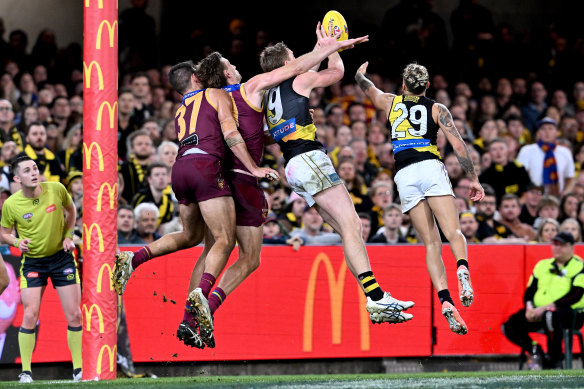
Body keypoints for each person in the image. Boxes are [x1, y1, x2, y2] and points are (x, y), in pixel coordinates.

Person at [113, 60, 279, 349]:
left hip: (180, 169)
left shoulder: (180, 109)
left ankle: (133, 258)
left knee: (192, 236)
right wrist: (253, 168)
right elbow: (229, 134)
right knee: (224, 241)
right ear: (194, 77)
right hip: (206, 168)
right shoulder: (215, 94)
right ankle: (202, 295)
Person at [261, 40, 415, 326]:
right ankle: (377, 298)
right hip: (308, 158)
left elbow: (269, 135)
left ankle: (375, 296)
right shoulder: (300, 79)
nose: (299, 60)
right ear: (286, 64)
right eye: (294, 57)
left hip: (292, 166)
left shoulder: (268, 94)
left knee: (348, 232)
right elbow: (336, 72)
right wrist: (333, 46)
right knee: (353, 225)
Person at [355, 61, 485, 335]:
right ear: (427, 86)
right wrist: (472, 177)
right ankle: (462, 270)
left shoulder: (391, 103)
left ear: (403, 85)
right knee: (454, 232)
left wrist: (359, 75)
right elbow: (458, 144)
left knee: (431, 243)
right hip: (430, 166)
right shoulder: (438, 108)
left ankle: (446, 301)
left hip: (405, 174)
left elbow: (369, 90)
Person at [0, 156, 81, 383]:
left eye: (35, 168)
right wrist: (17, 243)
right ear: (17, 178)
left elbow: (71, 211)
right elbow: (4, 233)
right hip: (33, 262)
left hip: (61, 259)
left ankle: (79, 371)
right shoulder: (11, 204)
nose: (34, 172)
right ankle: (26, 372)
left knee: (74, 315)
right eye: (27, 170)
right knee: (30, 314)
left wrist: (68, 236)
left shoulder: (56, 189)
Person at [502, 232, 584, 369]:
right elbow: (530, 291)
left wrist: (545, 308)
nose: (557, 248)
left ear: (571, 247)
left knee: (550, 315)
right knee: (509, 325)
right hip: (539, 312)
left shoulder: (579, 266)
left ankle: (555, 360)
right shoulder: (542, 265)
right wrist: (529, 308)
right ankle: (536, 350)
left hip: (571, 314)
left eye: (562, 245)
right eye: (555, 244)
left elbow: (575, 294)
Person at [517, 117, 575, 197]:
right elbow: (519, 175)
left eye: (550, 129)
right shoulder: (527, 150)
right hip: (532, 196)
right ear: (538, 133)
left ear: (557, 132)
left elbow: (569, 177)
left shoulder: (565, 152)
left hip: (556, 197)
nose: (547, 132)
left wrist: (564, 193)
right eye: (543, 129)